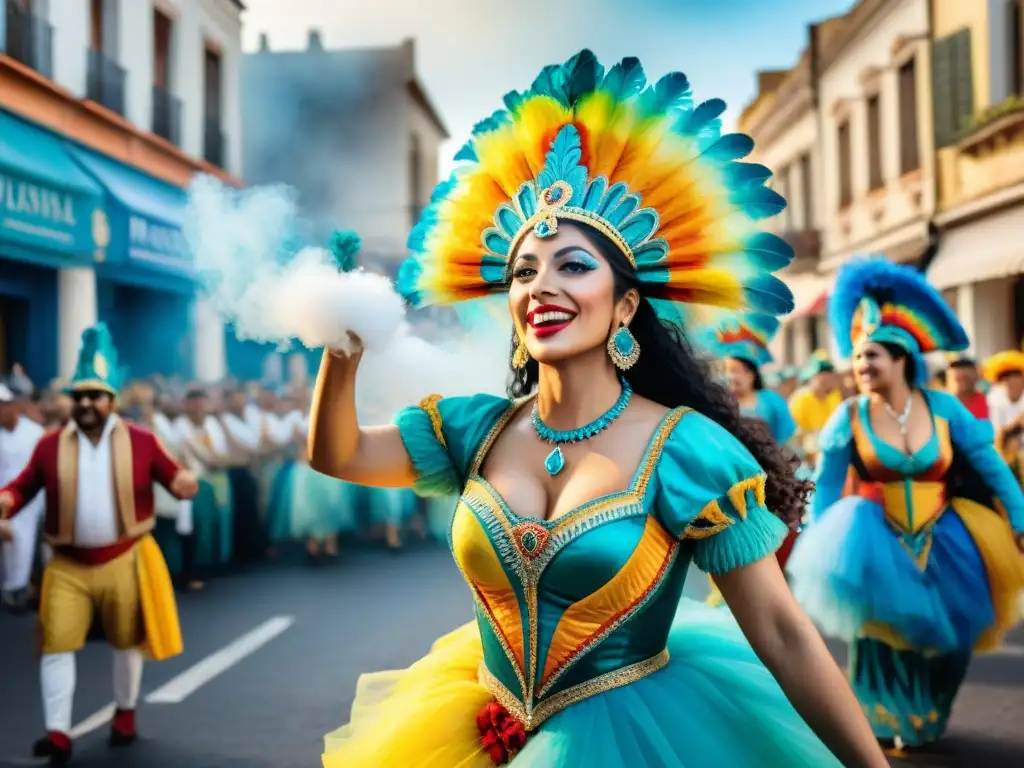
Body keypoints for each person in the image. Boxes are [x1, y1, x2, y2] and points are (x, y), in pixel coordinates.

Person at [309, 50, 886, 767]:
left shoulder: (686, 452)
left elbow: (782, 633)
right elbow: (337, 454)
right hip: (474, 730)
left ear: (626, 305)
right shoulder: (473, 429)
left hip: (638, 738)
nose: (540, 286)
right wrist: (340, 359)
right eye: (524, 271)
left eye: (573, 266)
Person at [786, 258, 1024, 757]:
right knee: (882, 639)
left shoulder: (945, 408)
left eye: (872, 356)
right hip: (873, 534)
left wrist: (1019, 515)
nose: (862, 367)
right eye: (856, 358)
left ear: (902, 359)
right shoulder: (848, 415)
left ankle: (929, 712)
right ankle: (886, 719)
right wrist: (813, 542)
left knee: (953, 639)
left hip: (950, 534)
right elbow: (827, 484)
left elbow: (990, 463)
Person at [0, 324, 198, 765]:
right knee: (55, 644)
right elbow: (23, 487)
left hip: (124, 557)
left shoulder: (143, 441)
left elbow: (173, 474)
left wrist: (184, 483)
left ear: (112, 401)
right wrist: (5, 503)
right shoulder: (50, 446)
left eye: (96, 395)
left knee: (127, 642)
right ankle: (57, 733)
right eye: (80, 396)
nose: (87, 404)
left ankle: (125, 714)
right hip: (66, 565)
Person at [703, 314, 796, 447]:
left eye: (735, 370)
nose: (730, 377)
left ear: (751, 375)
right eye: (726, 371)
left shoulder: (771, 401)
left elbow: (786, 437)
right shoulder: (719, 403)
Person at [0, 382, 45, 613]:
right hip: (4, 500)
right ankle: (12, 589)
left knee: (30, 545)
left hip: (34, 500)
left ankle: (25, 590)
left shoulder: (35, 433)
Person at [789, 350, 842, 468]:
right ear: (813, 376)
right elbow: (794, 438)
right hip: (806, 459)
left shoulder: (835, 396)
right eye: (823, 373)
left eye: (830, 372)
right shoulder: (800, 399)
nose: (828, 378)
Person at [946, 353, 988, 420]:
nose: (961, 372)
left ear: (977, 375)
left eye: (966, 378)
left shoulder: (988, 402)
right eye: (958, 378)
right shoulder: (942, 402)